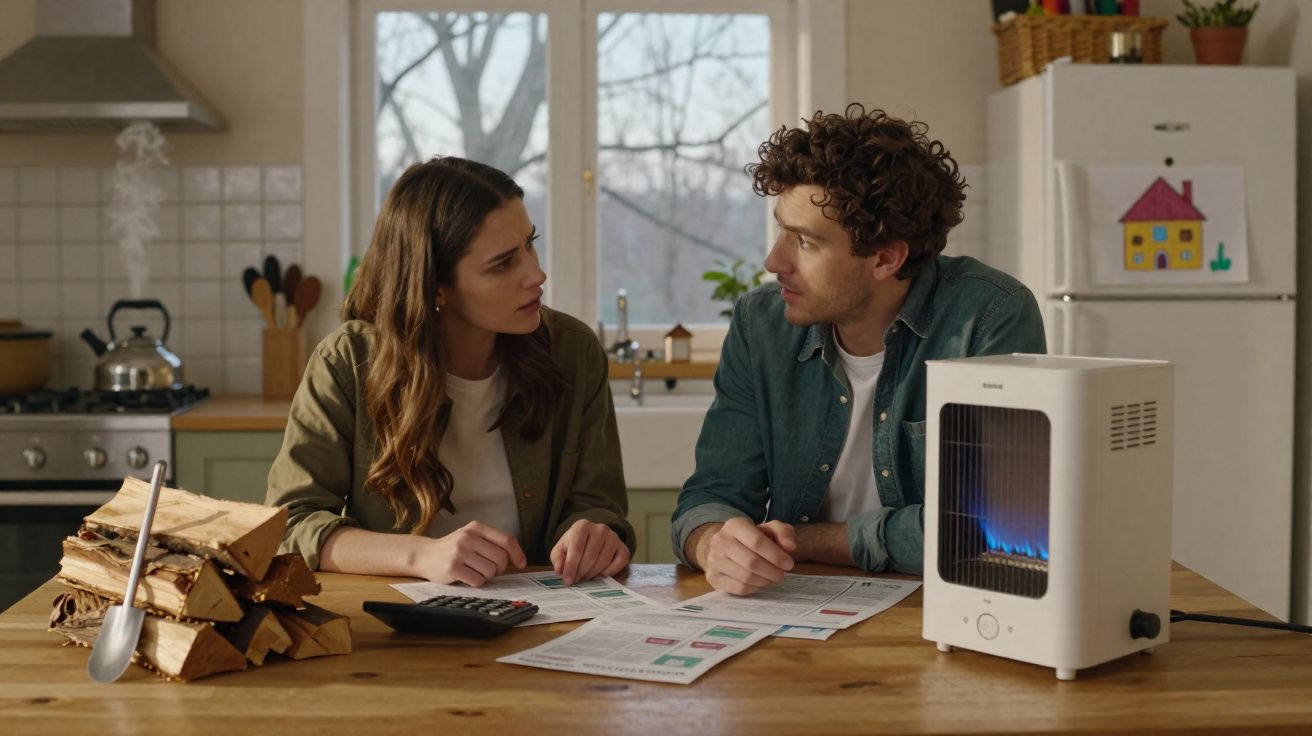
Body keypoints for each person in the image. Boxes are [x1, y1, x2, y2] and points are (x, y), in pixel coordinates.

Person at [672, 105, 1046, 595]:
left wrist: (806, 542)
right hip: (795, 609)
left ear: (886, 258)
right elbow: (711, 496)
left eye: (803, 241)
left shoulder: (990, 318)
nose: (772, 261)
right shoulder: (759, 325)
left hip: (946, 609)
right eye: (782, 229)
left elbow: (991, 526)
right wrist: (714, 544)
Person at [268, 156, 633, 587]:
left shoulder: (573, 352)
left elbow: (600, 505)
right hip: (397, 620)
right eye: (503, 264)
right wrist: (419, 555)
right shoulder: (347, 362)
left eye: (530, 244)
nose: (536, 274)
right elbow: (290, 527)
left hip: (541, 611)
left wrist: (597, 532)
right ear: (436, 285)